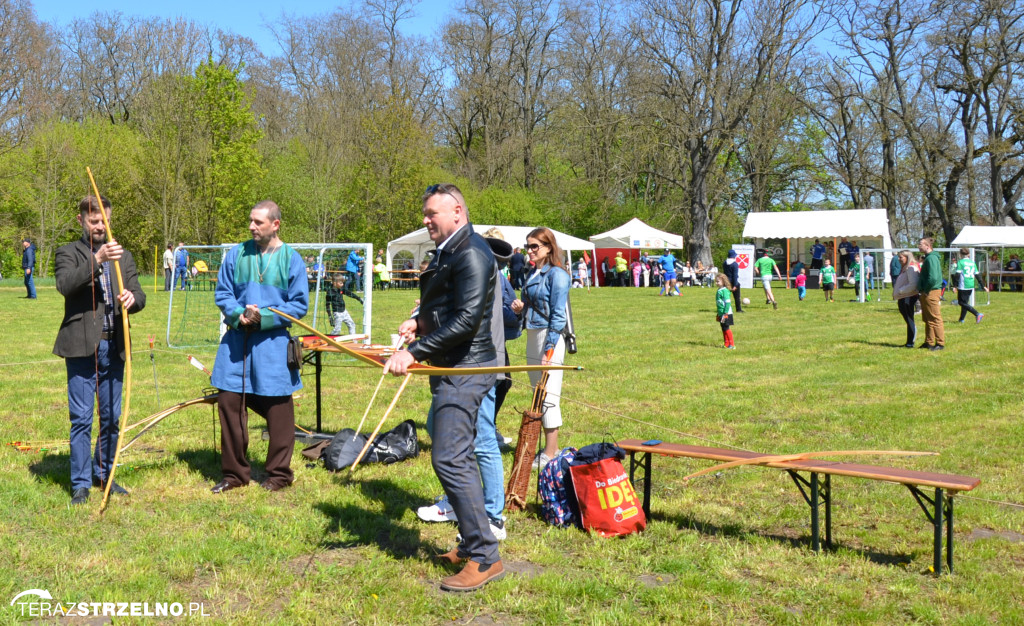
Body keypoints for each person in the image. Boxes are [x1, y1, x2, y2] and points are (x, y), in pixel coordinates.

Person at [385, 183, 504, 592]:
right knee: (456, 456)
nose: (425, 220)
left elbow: (468, 320)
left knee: (450, 458)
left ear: (457, 211)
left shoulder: (470, 250)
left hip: (466, 367)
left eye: (432, 213)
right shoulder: (453, 247)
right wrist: (420, 322)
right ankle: (474, 545)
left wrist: (414, 351)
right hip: (452, 364)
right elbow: (447, 307)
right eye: (425, 213)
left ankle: (485, 557)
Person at [417, 233, 517, 544]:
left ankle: (492, 515)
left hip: (479, 365)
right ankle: (460, 500)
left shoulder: (484, 269)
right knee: (437, 425)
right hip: (456, 364)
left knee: (483, 437)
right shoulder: (466, 266)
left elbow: (485, 322)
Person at [210, 200, 309, 494]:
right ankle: (235, 474)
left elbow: (298, 304)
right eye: (251, 221)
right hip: (237, 341)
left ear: (275, 224)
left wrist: (263, 316)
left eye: (258, 222)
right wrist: (238, 313)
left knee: (278, 407)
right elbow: (223, 293)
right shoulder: (236, 254)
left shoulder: (292, 259)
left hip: (272, 344)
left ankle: (279, 474)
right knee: (229, 401)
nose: (252, 226)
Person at [54, 195, 146, 505]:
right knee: (81, 418)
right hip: (81, 349)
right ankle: (80, 483)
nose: (99, 228)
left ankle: (104, 474)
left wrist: (133, 299)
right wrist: (97, 260)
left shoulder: (123, 256)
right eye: (94, 222)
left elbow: (140, 294)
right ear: (81, 221)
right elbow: (65, 285)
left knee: (111, 417)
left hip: (114, 347)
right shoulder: (68, 252)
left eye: (104, 221)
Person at [511, 227, 570, 471]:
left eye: (535, 246)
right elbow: (535, 306)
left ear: (548, 247)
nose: (530, 251)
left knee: (548, 395)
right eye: (528, 246)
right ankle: (547, 448)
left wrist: (548, 351)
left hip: (550, 338)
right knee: (538, 393)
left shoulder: (558, 275)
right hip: (533, 335)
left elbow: (558, 316)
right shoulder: (532, 273)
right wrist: (521, 309)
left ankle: (551, 451)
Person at [917, 237, 945, 350]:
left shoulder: (931, 259)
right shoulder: (928, 258)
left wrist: (926, 289)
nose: (918, 246)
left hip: (931, 291)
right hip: (928, 291)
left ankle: (940, 343)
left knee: (935, 318)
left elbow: (933, 278)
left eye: (920, 244)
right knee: (928, 318)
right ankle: (928, 342)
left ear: (927, 246)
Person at [892, 251, 920, 348]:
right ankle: (909, 341)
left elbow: (913, 284)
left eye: (901, 257)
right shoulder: (905, 268)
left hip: (907, 296)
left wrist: (901, 291)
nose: (899, 259)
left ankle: (910, 342)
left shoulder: (911, 268)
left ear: (907, 257)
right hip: (903, 296)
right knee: (908, 319)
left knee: (909, 319)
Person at [954, 248, 986, 324]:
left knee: (961, 302)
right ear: (968, 254)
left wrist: (955, 286)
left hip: (963, 284)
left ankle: (977, 314)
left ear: (960, 254)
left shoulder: (960, 262)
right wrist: (982, 285)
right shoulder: (972, 263)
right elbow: (977, 275)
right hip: (971, 284)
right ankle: (961, 319)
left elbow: (957, 275)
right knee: (965, 303)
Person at [715, 274, 735, 349]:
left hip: (726, 313)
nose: (716, 283)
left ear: (723, 281)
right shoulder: (719, 290)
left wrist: (725, 312)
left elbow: (727, 302)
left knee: (726, 328)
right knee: (723, 328)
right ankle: (726, 343)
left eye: (718, 281)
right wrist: (719, 313)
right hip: (721, 313)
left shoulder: (725, 291)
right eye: (716, 281)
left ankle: (732, 344)